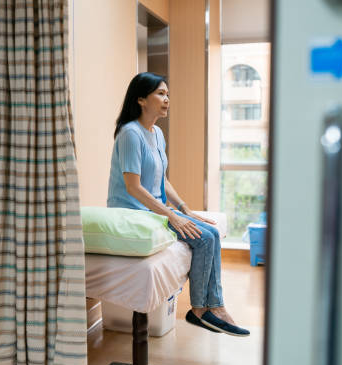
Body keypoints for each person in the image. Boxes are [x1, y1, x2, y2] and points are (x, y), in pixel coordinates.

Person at [107, 72, 250, 336]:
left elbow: (161, 179)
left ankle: (215, 307)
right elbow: (133, 187)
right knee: (204, 239)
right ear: (140, 99)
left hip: (153, 210)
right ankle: (200, 310)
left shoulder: (157, 134)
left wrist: (184, 209)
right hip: (133, 213)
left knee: (212, 233)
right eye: (160, 94)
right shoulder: (129, 134)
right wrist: (172, 217)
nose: (167, 99)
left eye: (168, 94)